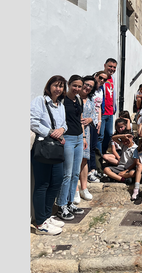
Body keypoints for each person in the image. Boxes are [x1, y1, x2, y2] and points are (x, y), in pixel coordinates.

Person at [30, 75, 68, 235]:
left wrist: (62, 130)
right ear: (49, 86)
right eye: (55, 85)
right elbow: (32, 121)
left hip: (56, 148)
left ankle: (47, 215)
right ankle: (40, 223)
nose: (58, 89)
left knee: (56, 182)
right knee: (42, 184)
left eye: (61, 86)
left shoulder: (60, 105)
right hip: (44, 146)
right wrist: (51, 132)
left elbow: (64, 124)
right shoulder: (41, 101)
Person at [55, 75, 86, 221]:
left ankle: (69, 202)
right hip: (68, 139)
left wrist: (84, 136)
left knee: (75, 173)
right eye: (74, 85)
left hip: (79, 138)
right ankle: (61, 205)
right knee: (66, 174)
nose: (77, 89)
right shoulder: (62, 101)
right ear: (69, 84)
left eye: (79, 87)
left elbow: (80, 120)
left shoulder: (78, 100)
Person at [99, 58, 118, 155]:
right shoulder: (100, 77)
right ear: (105, 65)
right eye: (110, 66)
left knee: (109, 134)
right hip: (102, 113)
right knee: (100, 136)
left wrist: (115, 107)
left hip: (110, 112)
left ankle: (103, 153)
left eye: (114, 67)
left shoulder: (113, 79)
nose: (112, 69)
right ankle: (98, 157)